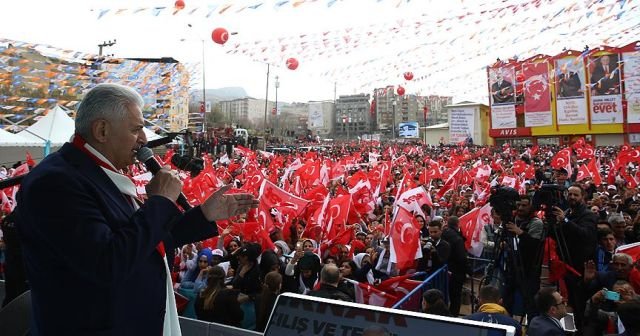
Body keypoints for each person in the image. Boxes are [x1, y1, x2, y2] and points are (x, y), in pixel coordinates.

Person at [16, 83, 259, 335]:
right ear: (102, 130)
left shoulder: (99, 175)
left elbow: (147, 240)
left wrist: (204, 214)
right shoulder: (56, 182)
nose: (144, 140)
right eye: (136, 130)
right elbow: (106, 261)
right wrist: (160, 202)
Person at [551, 184, 597, 333]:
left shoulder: (588, 215)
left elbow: (585, 235)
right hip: (565, 265)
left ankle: (582, 329)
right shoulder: (566, 213)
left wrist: (565, 221)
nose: (571, 197)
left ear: (582, 197)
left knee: (579, 304)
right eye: (569, 194)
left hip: (579, 268)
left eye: (575, 195)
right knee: (567, 301)